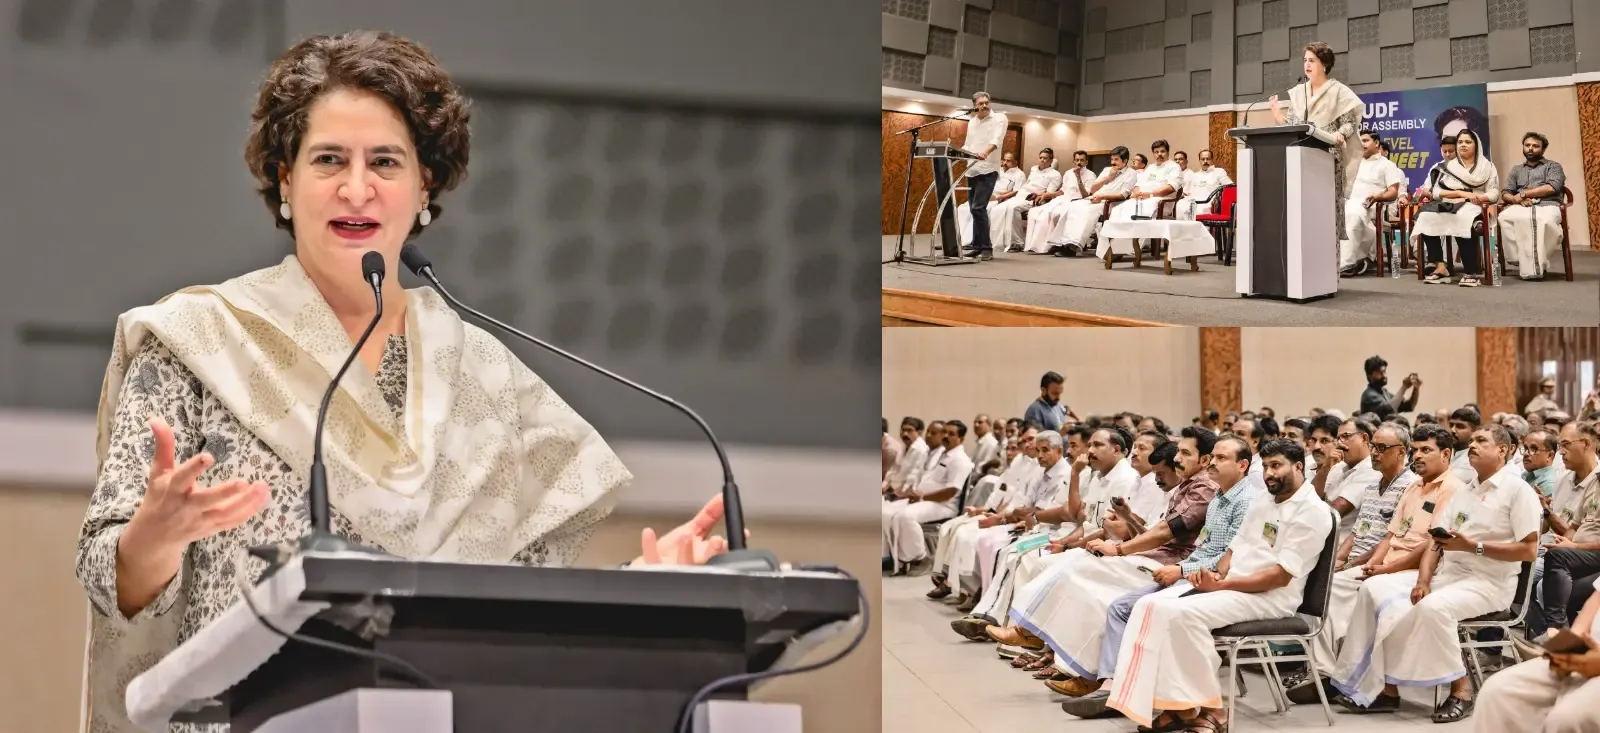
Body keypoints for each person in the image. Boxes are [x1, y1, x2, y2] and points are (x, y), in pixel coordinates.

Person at [73, 31, 737, 733]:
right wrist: (152, 538)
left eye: (384, 161)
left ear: (424, 185)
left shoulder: (489, 380)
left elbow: (518, 618)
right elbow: (107, 575)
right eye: (328, 159)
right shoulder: (197, 343)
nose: (356, 187)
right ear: (285, 179)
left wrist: (649, 593)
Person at [1105, 439, 1334, 732]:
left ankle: (1215, 711)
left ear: (1298, 466)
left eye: (1277, 466)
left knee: (1184, 615)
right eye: (1266, 466)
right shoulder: (1264, 500)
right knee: (1151, 605)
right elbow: (1232, 549)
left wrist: (1222, 585)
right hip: (1234, 584)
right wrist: (1216, 575)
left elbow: (1280, 577)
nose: (1269, 474)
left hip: (1271, 596)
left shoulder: (1312, 511)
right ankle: (1180, 708)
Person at [1331, 425, 1541, 723]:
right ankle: (1385, 689)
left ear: (1504, 450)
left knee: (1432, 607)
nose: (1473, 446)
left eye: (1482, 441)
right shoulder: (1467, 491)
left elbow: (1529, 550)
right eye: (1473, 441)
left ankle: (1461, 690)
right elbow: (1435, 541)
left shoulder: (1517, 490)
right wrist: (1422, 580)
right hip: (1448, 575)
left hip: (1488, 583)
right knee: (1375, 589)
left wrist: (1473, 546)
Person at [1270, 41, 1364, 249]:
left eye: (1312, 60)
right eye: (1305, 60)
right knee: (1303, 216)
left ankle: (1330, 275)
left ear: (1324, 64)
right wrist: (1279, 119)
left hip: (1328, 156)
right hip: (1301, 159)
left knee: (1326, 216)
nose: (1307, 65)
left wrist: (1341, 133)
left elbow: (1349, 123)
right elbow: (1295, 127)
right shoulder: (1298, 92)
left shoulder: (1339, 91)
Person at [1472, 589, 1600, 733]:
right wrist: (1572, 643)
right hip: (1584, 652)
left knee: (1570, 718)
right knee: (1497, 691)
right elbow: (1596, 599)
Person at [883, 421, 974, 574]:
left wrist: (923, 497)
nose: (945, 436)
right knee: (884, 511)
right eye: (944, 432)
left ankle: (920, 558)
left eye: (951, 434)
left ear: (961, 439)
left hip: (944, 505)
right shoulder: (942, 455)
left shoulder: (960, 459)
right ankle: (889, 556)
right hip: (925, 499)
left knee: (905, 516)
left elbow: (951, 491)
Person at [1413, 129, 1499, 287]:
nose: (1463, 145)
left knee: (1462, 217)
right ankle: (1440, 267)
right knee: (1425, 216)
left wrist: (1477, 198)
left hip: (1474, 205)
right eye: (1460, 142)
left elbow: (1494, 193)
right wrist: (1458, 193)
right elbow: (1435, 191)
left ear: (1477, 145)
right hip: (1448, 203)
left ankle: (1470, 271)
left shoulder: (1487, 167)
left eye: (1468, 142)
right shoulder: (1447, 166)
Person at [1039, 146, 1136, 256]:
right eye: (1112, 159)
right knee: (1072, 207)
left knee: (1086, 212)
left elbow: (1122, 195)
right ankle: (1061, 242)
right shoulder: (1106, 170)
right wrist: (1108, 177)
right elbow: (1093, 189)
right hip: (1094, 198)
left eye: (1116, 160)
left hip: (1110, 203)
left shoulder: (1131, 173)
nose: (1113, 162)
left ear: (1125, 160)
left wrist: (1102, 197)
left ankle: (1072, 247)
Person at [1498, 132, 1567, 281]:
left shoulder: (1553, 166)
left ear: (1543, 150)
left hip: (1548, 204)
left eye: (1535, 146)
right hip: (1522, 206)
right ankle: (1518, 258)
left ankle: (1536, 264)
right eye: (1527, 145)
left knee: (1541, 220)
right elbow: (1505, 193)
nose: (1530, 149)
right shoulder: (1516, 170)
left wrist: (1524, 194)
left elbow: (1552, 187)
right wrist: (1516, 200)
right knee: (1504, 216)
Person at [1341, 130, 1407, 277]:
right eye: (1360, 141)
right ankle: (1348, 260)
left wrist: (1378, 196)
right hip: (1350, 202)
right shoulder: (1354, 163)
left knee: (1353, 214)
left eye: (1365, 141)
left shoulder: (1388, 165)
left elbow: (1393, 192)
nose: (1361, 144)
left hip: (1374, 206)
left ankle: (1346, 263)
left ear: (1376, 143)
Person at [957, 91, 1009, 260]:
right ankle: (977, 246)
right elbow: (968, 143)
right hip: (971, 168)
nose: (985, 105)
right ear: (974, 106)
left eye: (987, 102)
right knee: (973, 209)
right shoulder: (972, 122)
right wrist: (957, 152)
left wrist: (984, 152)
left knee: (978, 207)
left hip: (988, 169)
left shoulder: (999, 118)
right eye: (981, 103)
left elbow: (997, 140)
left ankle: (987, 248)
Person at [988, 148, 1062, 252]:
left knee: (1012, 208)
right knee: (998, 209)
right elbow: (1027, 184)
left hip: (1033, 198)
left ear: (1050, 160)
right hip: (1022, 194)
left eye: (1045, 158)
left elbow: (1049, 193)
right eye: (1040, 157)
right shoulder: (1033, 169)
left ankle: (1017, 243)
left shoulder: (1055, 174)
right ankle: (998, 241)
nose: (1042, 160)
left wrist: (1038, 194)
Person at [1023, 150, 1096, 253]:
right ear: (1073, 161)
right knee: (1037, 212)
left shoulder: (1090, 175)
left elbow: (1086, 195)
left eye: (1082, 160)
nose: (1079, 162)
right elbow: (1062, 191)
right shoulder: (1068, 173)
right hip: (1064, 199)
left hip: (1079, 201)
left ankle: (1059, 244)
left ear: (1086, 162)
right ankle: (1039, 245)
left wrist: (1079, 177)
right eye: (1077, 160)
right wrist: (1047, 194)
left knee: (1057, 214)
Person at [956, 152, 1026, 248]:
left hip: (1000, 198)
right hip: (987, 194)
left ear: (1015, 162)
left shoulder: (1019, 174)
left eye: (1008, 161)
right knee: (963, 209)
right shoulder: (998, 170)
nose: (1005, 162)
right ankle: (960, 239)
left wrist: (1000, 197)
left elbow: (1016, 191)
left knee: (981, 210)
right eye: (1004, 160)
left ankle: (973, 241)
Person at [1358, 355, 1420, 421]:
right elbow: (1389, 410)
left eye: (1384, 371)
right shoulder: (1369, 395)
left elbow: (1409, 406)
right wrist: (1404, 387)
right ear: (1369, 376)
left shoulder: (1384, 392)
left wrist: (1416, 388)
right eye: (1379, 373)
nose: (1384, 375)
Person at [1177, 148, 1232, 220]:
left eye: (1208, 159)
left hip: (1209, 202)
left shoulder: (1219, 172)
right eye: (1202, 159)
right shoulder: (1195, 175)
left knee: (1198, 208)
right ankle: (1183, 230)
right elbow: (1186, 191)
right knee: (1180, 204)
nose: (1205, 161)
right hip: (1193, 201)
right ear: (1199, 161)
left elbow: (1230, 186)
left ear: (1212, 160)